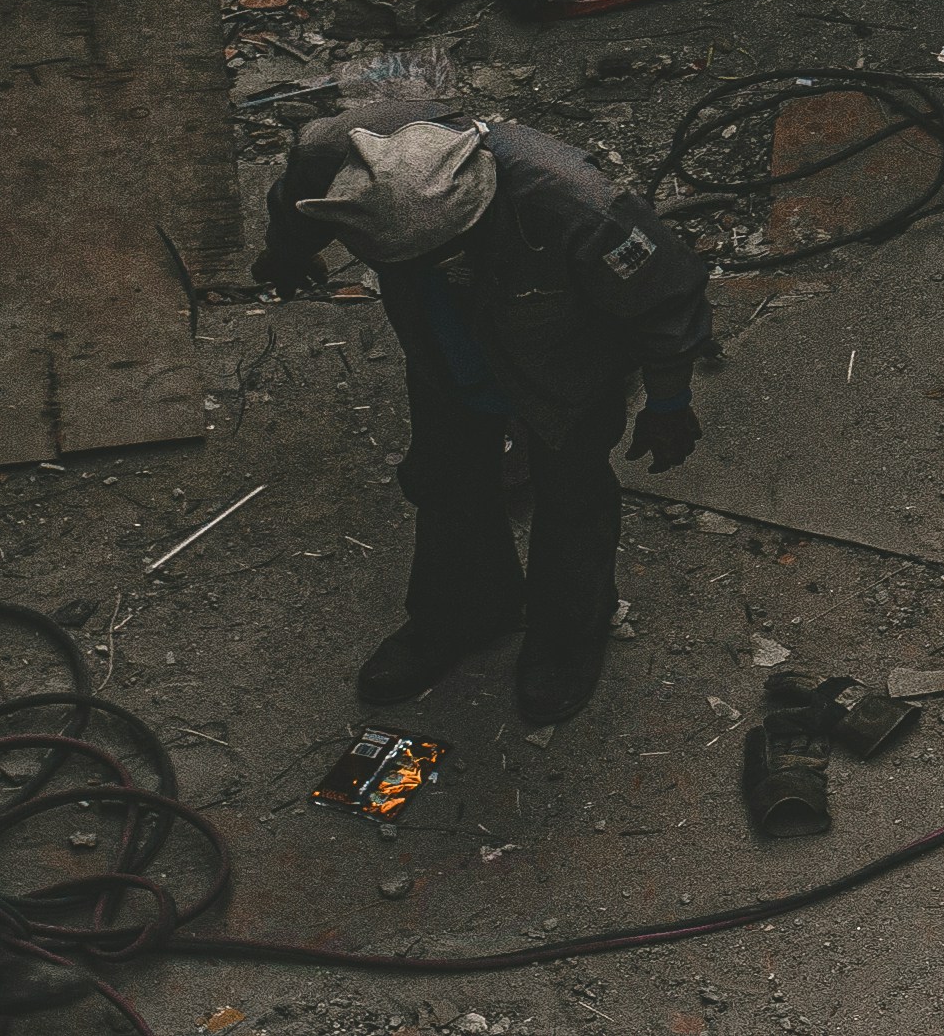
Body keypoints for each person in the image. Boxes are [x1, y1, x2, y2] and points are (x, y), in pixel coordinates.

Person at [260, 100, 713, 736]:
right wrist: (284, 254)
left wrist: (668, 404)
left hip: (566, 364)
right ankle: (464, 614)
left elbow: (664, 304)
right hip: (446, 353)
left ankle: (566, 640)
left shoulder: (580, 207)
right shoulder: (337, 155)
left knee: (572, 492)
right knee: (446, 479)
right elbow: (299, 205)